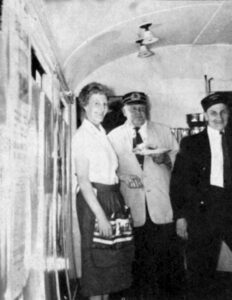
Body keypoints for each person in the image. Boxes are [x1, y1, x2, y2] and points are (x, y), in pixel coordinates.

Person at [170, 92, 232, 296]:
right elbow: (178, 182)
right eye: (213, 113)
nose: (219, 117)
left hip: (231, 208)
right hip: (202, 211)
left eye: (223, 112)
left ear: (228, 114)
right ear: (206, 116)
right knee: (200, 268)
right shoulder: (191, 143)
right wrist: (180, 216)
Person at [107, 91, 185, 299]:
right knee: (138, 267)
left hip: (162, 208)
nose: (138, 112)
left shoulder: (164, 131)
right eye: (133, 109)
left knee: (167, 265)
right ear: (124, 111)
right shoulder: (113, 137)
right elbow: (108, 172)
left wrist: (165, 160)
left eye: (142, 108)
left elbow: (181, 168)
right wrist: (124, 179)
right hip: (132, 209)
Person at [72, 82, 135, 300]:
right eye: (96, 103)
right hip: (95, 202)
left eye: (105, 104)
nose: (101, 108)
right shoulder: (82, 137)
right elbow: (84, 180)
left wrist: (122, 177)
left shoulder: (100, 133)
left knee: (110, 266)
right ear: (85, 106)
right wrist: (102, 217)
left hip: (110, 197)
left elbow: (105, 170)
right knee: (97, 267)